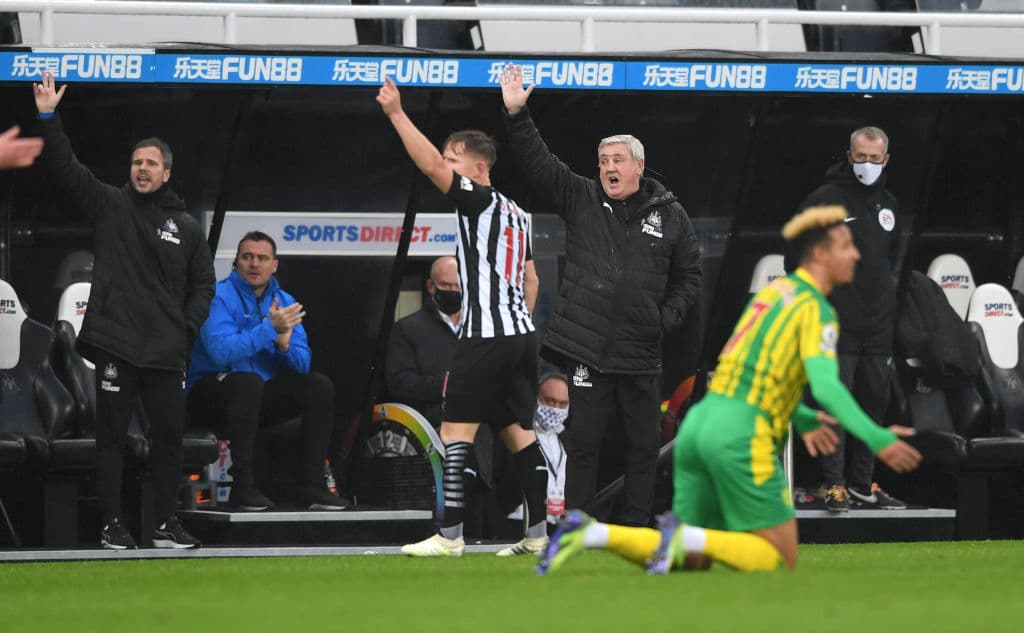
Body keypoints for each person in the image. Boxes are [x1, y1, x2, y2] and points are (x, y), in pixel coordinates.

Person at [537, 205, 922, 575]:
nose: (855, 254)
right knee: (777, 556)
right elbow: (826, 386)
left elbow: (740, 368)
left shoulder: (772, 296)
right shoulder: (816, 309)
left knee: (693, 562)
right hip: (741, 436)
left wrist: (800, 416)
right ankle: (683, 539)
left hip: (701, 427)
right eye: (845, 246)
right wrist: (876, 435)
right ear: (819, 254)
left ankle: (592, 531)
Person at [499, 64, 702, 527]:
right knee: (584, 443)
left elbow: (690, 275)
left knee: (643, 448)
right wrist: (516, 115)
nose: (609, 167)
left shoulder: (671, 215)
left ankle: (634, 527)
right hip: (588, 350)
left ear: (638, 166)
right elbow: (540, 165)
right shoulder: (583, 198)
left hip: (641, 351)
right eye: (604, 161)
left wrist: (663, 318)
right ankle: (575, 528)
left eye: (617, 160)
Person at [33, 71, 214, 550]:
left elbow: (203, 284)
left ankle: (164, 523)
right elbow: (67, 169)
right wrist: (49, 117)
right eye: (136, 162)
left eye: (151, 163)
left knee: (169, 440)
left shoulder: (187, 227)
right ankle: (113, 524)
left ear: (167, 172)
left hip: (166, 352)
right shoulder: (111, 205)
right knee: (110, 439)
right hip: (117, 345)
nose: (141, 169)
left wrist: (187, 328)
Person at [377, 76, 549, 557]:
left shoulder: (477, 199)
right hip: (520, 333)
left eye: (454, 161)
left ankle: (449, 536)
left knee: (455, 430)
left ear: (476, 167)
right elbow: (532, 282)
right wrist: (516, 324)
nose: (445, 168)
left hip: (487, 334)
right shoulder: (516, 212)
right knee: (518, 433)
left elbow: (430, 163)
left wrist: (395, 113)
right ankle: (537, 536)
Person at [186, 231, 348, 512]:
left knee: (318, 386)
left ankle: (311, 486)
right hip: (210, 394)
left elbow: (302, 363)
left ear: (275, 265)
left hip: (256, 397)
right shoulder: (218, 295)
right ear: (236, 261)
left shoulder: (285, 301)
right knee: (247, 383)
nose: (254, 264)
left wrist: (282, 346)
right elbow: (220, 352)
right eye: (247, 257)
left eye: (262, 258)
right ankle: (243, 487)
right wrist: (268, 330)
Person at [802, 126, 905, 512]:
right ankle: (833, 485)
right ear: (849, 157)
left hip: (878, 328)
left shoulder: (889, 205)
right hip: (836, 325)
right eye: (859, 157)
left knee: (872, 406)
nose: (865, 165)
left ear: (886, 160)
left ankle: (862, 483)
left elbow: (891, 262)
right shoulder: (825, 201)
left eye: (873, 159)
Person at [386, 255, 538, 427]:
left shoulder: (483, 327)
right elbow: (400, 383)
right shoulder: (407, 329)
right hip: (432, 435)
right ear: (431, 286)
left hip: (482, 434)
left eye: (458, 286)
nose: (453, 291)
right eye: (446, 285)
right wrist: (447, 384)